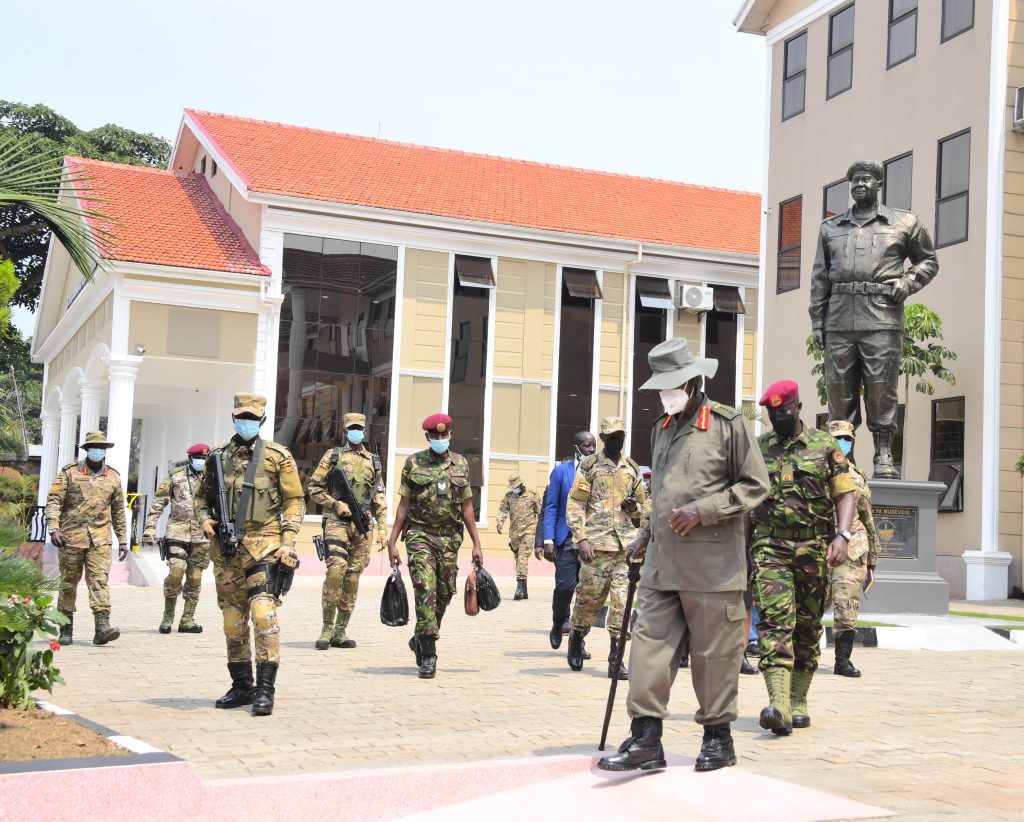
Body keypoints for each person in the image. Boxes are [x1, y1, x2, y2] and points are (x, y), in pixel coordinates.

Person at [598, 338, 769, 774]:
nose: (665, 395)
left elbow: (755, 486)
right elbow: (660, 494)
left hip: (713, 568)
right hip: (661, 564)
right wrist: (644, 536)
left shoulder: (728, 425)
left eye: (672, 387)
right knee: (647, 649)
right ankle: (646, 738)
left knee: (714, 658)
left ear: (693, 382)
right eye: (660, 388)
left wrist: (704, 510)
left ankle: (718, 737)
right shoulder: (662, 427)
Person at [809, 160, 939, 479]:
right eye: (854, 181)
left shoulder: (905, 223)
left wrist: (907, 283)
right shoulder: (831, 228)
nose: (859, 185)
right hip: (839, 320)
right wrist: (817, 322)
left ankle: (883, 454)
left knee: (882, 390)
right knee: (839, 394)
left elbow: (928, 261)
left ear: (879, 184)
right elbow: (819, 279)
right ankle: (843, 457)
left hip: (882, 318)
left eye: (865, 179)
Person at [749, 380, 857, 735]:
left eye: (781, 412)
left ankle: (798, 700)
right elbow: (745, 501)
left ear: (797, 408)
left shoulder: (825, 446)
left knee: (808, 627)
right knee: (775, 622)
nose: (776, 418)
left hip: (813, 547)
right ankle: (777, 703)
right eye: (770, 414)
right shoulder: (759, 449)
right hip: (770, 547)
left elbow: (845, 494)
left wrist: (842, 535)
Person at [196, 393, 305, 717]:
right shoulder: (217, 458)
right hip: (227, 553)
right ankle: (242, 686)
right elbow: (200, 498)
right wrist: (204, 519)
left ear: (262, 421)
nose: (246, 422)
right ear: (233, 419)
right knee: (232, 622)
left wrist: (288, 542)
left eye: (252, 418)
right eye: (241, 417)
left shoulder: (277, 456)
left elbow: (294, 502)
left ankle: (265, 689)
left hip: (265, 547)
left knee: (262, 614)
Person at [387, 413, 484, 679]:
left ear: (450, 434)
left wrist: (477, 543)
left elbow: (467, 507)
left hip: (450, 539)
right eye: (435, 436)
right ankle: (429, 654)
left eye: (444, 435)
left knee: (444, 593)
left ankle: (421, 636)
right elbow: (404, 504)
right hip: (420, 535)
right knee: (425, 588)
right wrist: (392, 540)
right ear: (427, 437)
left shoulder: (461, 464)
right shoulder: (413, 463)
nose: (440, 439)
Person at [565, 416, 647, 680]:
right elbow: (575, 504)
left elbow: (645, 508)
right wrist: (581, 539)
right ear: (603, 438)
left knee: (623, 604)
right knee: (589, 601)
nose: (617, 440)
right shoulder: (589, 466)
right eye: (612, 436)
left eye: (621, 436)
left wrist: (635, 508)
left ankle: (616, 657)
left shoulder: (632, 469)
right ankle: (577, 636)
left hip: (626, 548)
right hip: (596, 546)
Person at [307, 412, 387, 650]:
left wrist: (383, 528)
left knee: (352, 577)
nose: (355, 431)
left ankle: (341, 631)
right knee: (336, 570)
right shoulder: (332, 456)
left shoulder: (373, 461)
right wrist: (335, 504)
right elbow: (314, 487)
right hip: (336, 521)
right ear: (345, 431)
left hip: (362, 526)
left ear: (364, 431)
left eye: (359, 428)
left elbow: (379, 497)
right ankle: (326, 628)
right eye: (351, 428)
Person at [45, 431, 129, 646]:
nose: (98, 450)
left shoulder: (113, 477)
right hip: (71, 538)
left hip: (100, 539)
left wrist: (123, 539)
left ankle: (102, 627)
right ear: (86, 449)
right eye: (94, 447)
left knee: (99, 580)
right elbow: (54, 500)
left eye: (101, 447)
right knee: (68, 583)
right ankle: (65, 628)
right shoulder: (69, 473)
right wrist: (53, 528)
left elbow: (119, 510)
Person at [826, 419, 880, 677]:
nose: (843, 443)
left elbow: (867, 517)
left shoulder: (857, 475)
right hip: (818, 544)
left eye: (848, 439)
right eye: (838, 437)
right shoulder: (815, 469)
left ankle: (842, 660)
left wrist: (872, 557)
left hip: (853, 547)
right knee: (808, 603)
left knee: (846, 603)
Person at [143, 443, 211, 635]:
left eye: (205, 459)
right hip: (177, 532)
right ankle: (168, 616)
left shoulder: (213, 478)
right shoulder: (176, 477)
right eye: (199, 458)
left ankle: (187, 620)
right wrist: (150, 527)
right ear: (190, 458)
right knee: (176, 571)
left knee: (195, 578)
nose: (202, 462)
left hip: (202, 536)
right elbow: (158, 503)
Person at [542, 431, 597, 649]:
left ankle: (578, 640)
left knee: (587, 593)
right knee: (565, 588)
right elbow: (551, 506)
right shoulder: (560, 472)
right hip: (565, 539)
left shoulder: (598, 472)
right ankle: (558, 622)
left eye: (593, 446)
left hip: (591, 540)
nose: (591, 450)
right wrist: (547, 539)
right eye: (587, 445)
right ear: (576, 447)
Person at [496, 473, 541, 600]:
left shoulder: (532, 494)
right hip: (515, 532)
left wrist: (542, 532)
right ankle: (524, 589)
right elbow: (503, 510)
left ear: (521, 484)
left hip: (529, 531)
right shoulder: (509, 496)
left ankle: (519, 587)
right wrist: (499, 523)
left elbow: (540, 512)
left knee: (522, 557)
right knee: (518, 558)